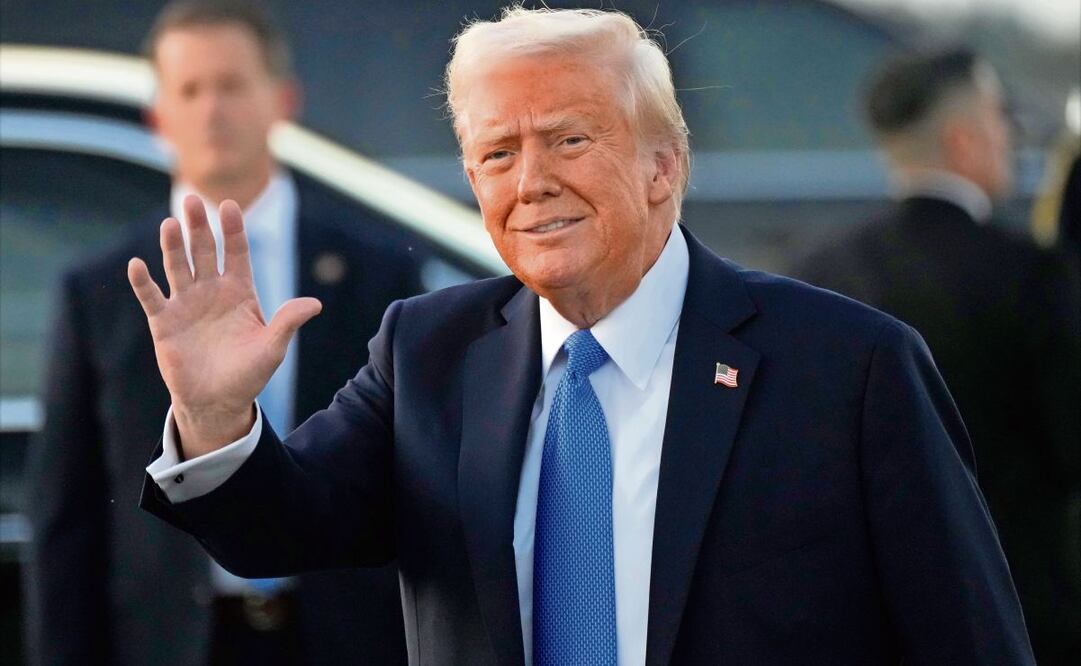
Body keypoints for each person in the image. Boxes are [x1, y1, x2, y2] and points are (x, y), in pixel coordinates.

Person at [133, 8, 1034, 664]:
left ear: (661, 166)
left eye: (568, 140)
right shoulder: (427, 352)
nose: (530, 182)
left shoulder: (849, 367)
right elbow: (278, 534)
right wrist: (214, 416)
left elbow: (966, 636)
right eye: (496, 154)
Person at [23, 1, 419, 664]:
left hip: (343, 636)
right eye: (190, 89)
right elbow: (66, 511)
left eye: (232, 85)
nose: (212, 110)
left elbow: (409, 479)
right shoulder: (101, 288)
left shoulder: (376, 270)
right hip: (172, 642)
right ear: (157, 117)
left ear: (283, 99)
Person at [790, 47, 1081, 664]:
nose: (1010, 135)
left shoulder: (815, 276)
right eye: (1000, 117)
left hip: (861, 623)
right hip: (1022, 617)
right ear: (963, 138)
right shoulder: (1030, 275)